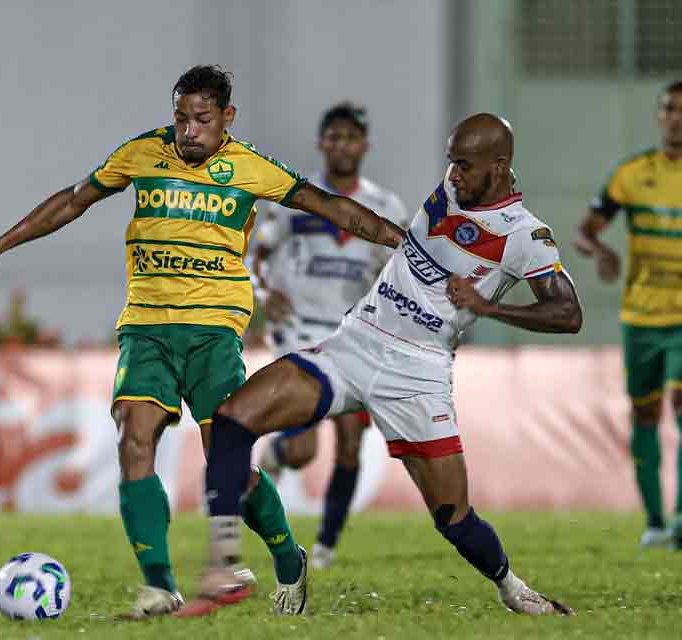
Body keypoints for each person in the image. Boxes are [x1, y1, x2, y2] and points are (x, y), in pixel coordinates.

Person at [0, 65, 403, 618]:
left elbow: (327, 204)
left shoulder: (250, 167)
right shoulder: (142, 152)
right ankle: (160, 586)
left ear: (227, 118)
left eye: (202, 120)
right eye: (181, 118)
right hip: (146, 326)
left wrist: (400, 241)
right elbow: (73, 200)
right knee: (134, 436)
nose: (189, 131)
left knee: (229, 462)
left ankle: (288, 556)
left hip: (213, 330)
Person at [180, 113, 582, 617]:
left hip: (418, 371)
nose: (452, 175)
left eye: (463, 165)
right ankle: (228, 567)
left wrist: (488, 307)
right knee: (232, 421)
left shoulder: (526, 237)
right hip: (356, 342)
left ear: (498, 167)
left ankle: (513, 589)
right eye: (450, 162)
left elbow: (568, 313)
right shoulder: (454, 189)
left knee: (452, 517)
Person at [252, 102, 410, 570]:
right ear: (322, 143)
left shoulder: (385, 207)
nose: (342, 145)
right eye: (333, 137)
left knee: (349, 443)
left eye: (350, 137)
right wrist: (263, 291)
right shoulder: (296, 195)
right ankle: (275, 460)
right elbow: (258, 253)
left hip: (351, 333)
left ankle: (323, 548)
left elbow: (398, 273)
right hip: (297, 329)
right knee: (303, 448)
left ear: (365, 145)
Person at [574, 81, 682, 549]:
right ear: (660, 117)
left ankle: (680, 520)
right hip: (641, 317)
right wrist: (599, 251)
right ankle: (656, 522)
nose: (677, 118)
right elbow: (585, 229)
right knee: (644, 415)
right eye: (670, 109)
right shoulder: (633, 174)